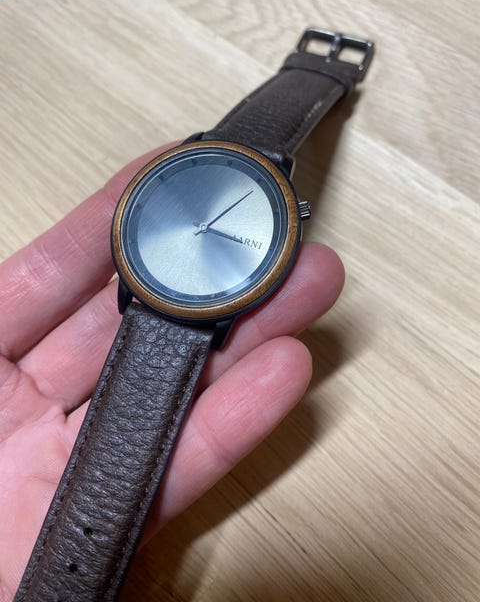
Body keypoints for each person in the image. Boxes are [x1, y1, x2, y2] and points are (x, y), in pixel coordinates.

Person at [0, 144, 344, 600]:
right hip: (151, 295)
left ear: (290, 219)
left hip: (198, 312)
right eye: (198, 223)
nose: (201, 227)